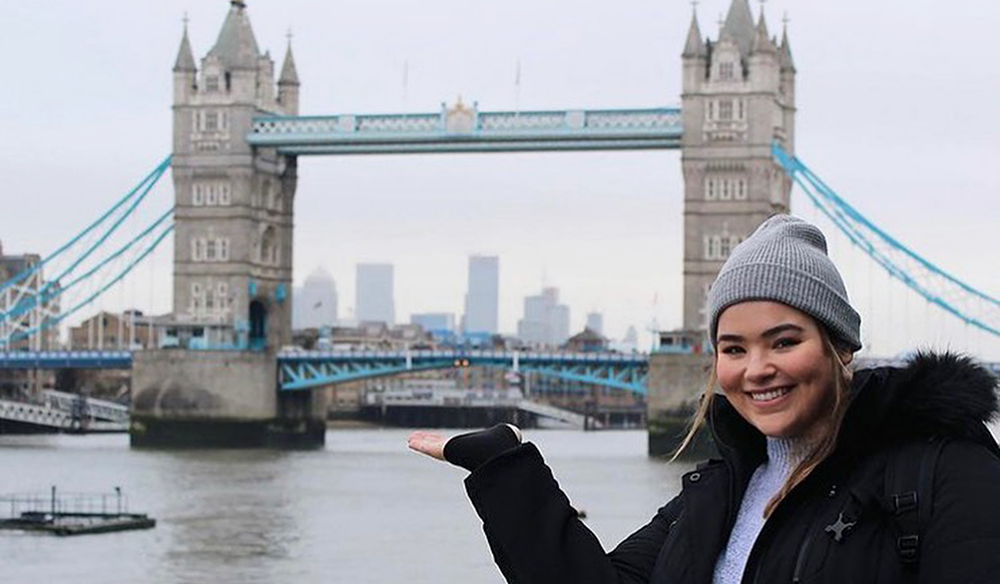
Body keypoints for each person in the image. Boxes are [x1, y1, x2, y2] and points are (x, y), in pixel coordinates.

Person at [409, 215, 1000, 583]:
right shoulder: (716, 494)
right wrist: (506, 473)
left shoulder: (945, 473)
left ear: (841, 347)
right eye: (734, 348)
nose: (757, 369)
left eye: (784, 341)